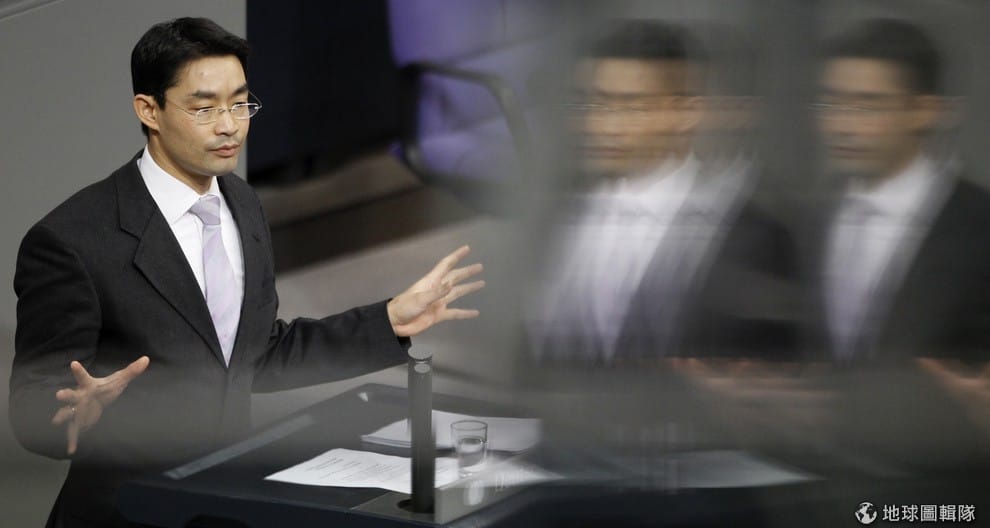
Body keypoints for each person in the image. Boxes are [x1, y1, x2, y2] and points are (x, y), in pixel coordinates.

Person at [9, 17, 484, 527]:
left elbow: (256, 355)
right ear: (149, 110)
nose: (229, 125)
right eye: (204, 108)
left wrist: (389, 319)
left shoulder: (241, 203)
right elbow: (34, 408)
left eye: (239, 104)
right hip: (126, 513)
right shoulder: (71, 242)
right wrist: (70, 413)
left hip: (225, 501)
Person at [528, 20, 794, 365]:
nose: (598, 125)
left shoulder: (750, 236)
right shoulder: (555, 215)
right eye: (589, 104)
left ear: (685, 113)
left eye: (627, 106)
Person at [808, 18, 990, 362]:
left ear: (925, 111)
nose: (842, 126)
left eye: (867, 106)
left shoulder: (979, 227)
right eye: (831, 104)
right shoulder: (804, 221)